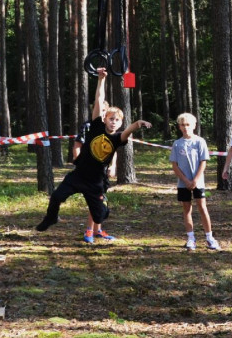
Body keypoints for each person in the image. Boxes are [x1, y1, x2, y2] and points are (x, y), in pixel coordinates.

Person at [36, 68, 151, 233]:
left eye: (117, 120)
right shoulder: (96, 127)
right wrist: (101, 80)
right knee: (56, 197)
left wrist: (138, 123)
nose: (113, 122)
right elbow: (99, 99)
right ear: (104, 119)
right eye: (111, 119)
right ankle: (51, 217)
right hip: (78, 175)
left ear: (120, 123)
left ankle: (103, 205)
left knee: (99, 217)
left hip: (95, 181)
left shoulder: (118, 138)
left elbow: (128, 131)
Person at [170, 113, 221, 251]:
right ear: (179, 127)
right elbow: (175, 165)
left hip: (198, 182)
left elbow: (203, 162)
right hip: (183, 183)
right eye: (183, 125)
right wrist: (186, 180)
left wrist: (195, 180)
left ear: (194, 125)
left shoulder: (200, 141)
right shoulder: (177, 144)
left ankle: (210, 238)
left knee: (202, 208)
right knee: (187, 209)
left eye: (188, 125)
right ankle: (191, 238)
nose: (185, 127)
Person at [72, 107, 117, 244]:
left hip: (102, 171)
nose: (103, 113)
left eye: (106, 111)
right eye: (101, 110)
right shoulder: (88, 126)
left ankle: (98, 230)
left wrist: (113, 166)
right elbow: (77, 146)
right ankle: (89, 230)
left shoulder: (109, 128)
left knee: (101, 198)